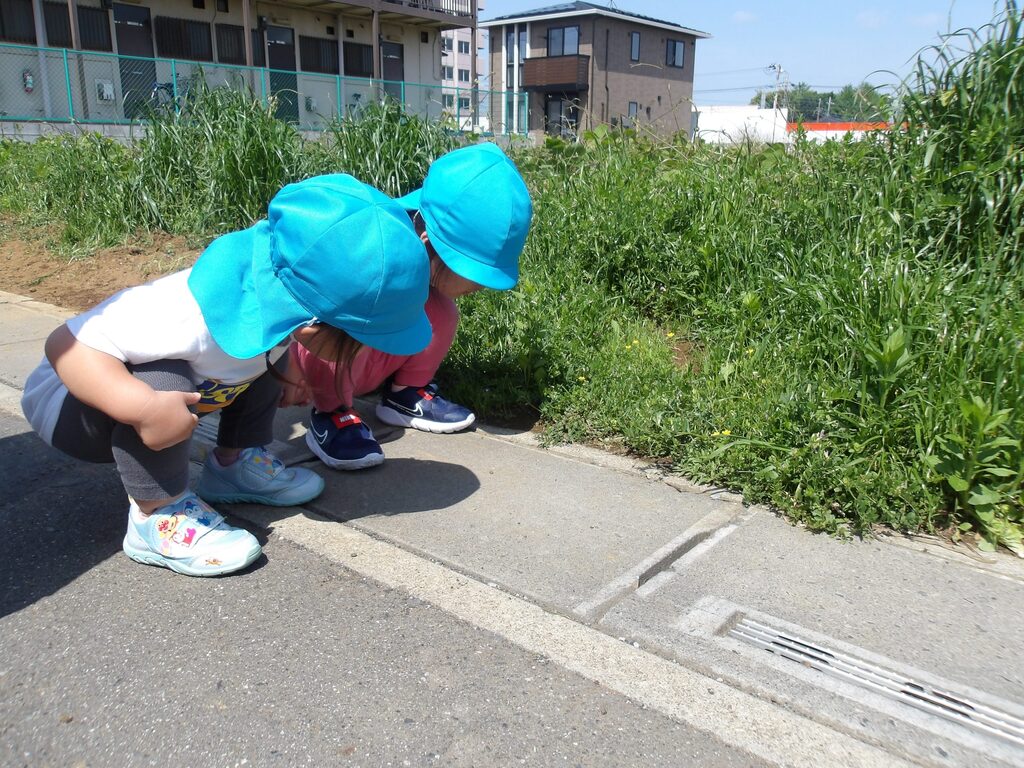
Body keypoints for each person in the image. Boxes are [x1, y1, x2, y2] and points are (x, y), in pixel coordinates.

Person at [20, 175, 431, 577]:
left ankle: (234, 463)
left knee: (261, 360)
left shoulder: (281, 299)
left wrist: (289, 371)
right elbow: (65, 346)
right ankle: (157, 513)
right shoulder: (182, 317)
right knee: (162, 377)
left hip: (142, 396)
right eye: (358, 340)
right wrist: (142, 407)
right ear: (312, 325)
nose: (363, 351)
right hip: (72, 405)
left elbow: (271, 346)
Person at [284, 143, 533, 471]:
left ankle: (405, 394)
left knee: (441, 312)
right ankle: (331, 413)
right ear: (430, 243)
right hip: (314, 349)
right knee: (350, 325)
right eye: (474, 277)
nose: (478, 289)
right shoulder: (373, 251)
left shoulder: (419, 249)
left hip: (366, 356)